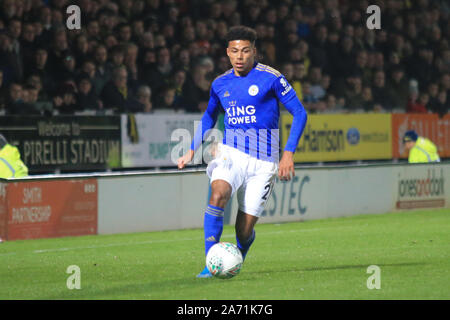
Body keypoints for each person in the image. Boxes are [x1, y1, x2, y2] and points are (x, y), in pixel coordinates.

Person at [177, 26, 307, 278]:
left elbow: (300, 112)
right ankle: (211, 261)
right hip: (231, 153)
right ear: (227, 52)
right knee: (218, 194)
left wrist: (288, 153)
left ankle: (238, 255)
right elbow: (209, 117)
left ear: (254, 51)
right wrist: (192, 148)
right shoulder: (220, 83)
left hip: (264, 163)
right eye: (234, 51)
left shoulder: (272, 78)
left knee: (244, 231)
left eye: (245, 51)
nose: (240, 56)